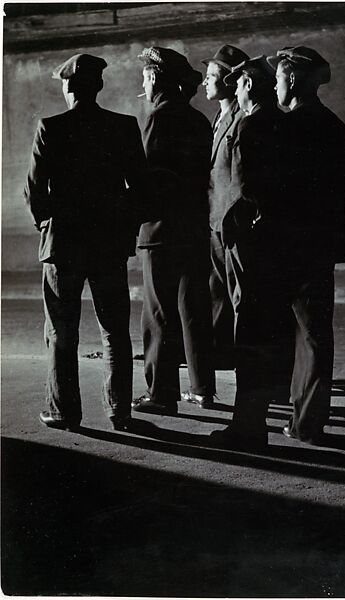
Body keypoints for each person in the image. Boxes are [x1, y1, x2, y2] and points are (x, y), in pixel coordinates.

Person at [24, 53, 148, 432]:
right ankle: (119, 411)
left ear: (68, 87)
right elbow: (141, 191)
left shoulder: (50, 127)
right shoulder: (123, 127)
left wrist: (46, 223)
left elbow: (33, 189)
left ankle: (65, 412)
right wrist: (123, 230)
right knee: (114, 330)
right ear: (98, 86)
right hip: (108, 244)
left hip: (63, 244)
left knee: (62, 330)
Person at [266, 45, 345, 443]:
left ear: (294, 79)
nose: (276, 85)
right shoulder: (333, 125)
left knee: (303, 333)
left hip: (291, 243)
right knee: (313, 332)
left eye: (280, 77)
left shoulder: (288, 127)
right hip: (319, 241)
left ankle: (306, 421)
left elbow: (277, 191)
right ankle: (306, 419)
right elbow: (339, 192)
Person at [132, 47, 215, 415]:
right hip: (194, 227)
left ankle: (161, 394)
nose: (143, 84)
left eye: (145, 78)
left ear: (153, 79)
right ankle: (201, 387)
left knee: (159, 314)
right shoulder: (198, 120)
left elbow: (148, 178)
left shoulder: (157, 118)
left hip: (162, 231)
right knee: (194, 309)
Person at [209, 56, 285, 449]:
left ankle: (249, 427)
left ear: (249, 86)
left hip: (245, 242)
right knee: (264, 327)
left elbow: (244, 187)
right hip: (271, 241)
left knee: (249, 328)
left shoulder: (251, 124)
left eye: (238, 85)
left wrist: (233, 228)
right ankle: (255, 419)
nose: (234, 91)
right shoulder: (284, 123)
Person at [198, 44, 249, 375]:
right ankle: (222, 360)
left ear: (230, 82)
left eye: (211, 76)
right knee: (217, 293)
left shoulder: (242, 119)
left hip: (230, 223)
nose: (205, 81)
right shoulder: (218, 117)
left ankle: (243, 366)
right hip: (214, 221)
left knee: (236, 294)